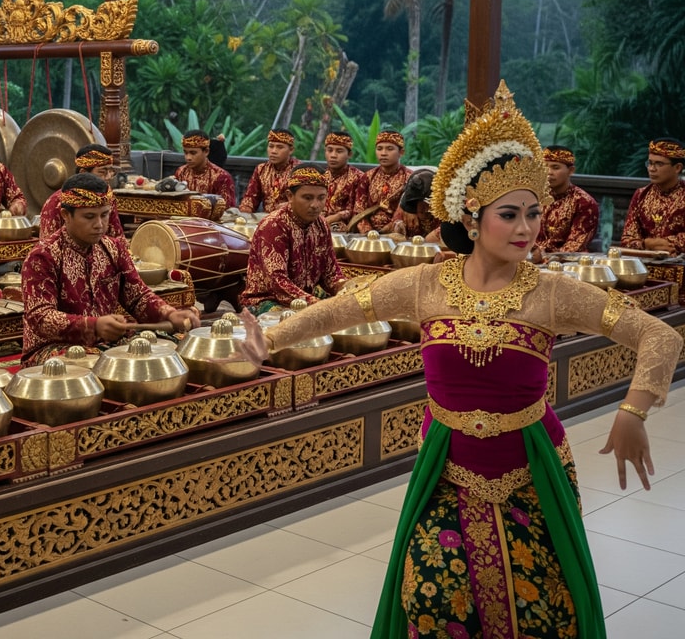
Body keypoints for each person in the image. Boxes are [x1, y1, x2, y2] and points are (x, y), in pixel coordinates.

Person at [250, 83, 680, 639]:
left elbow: (658, 337)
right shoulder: (426, 284)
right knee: (436, 602)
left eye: (533, 214)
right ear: (472, 219)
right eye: (510, 215)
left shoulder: (553, 293)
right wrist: (270, 339)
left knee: (542, 611)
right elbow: (337, 312)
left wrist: (633, 411)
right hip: (446, 466)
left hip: (532, 466)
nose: (526, 229)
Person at [21, 173, 199, 366]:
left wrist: (169, 314)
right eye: (89, 217)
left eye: (104, 215)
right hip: (52, 350)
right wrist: (93, 326)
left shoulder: (114, 249)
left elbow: (138, 296)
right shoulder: (43, 256)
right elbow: (41, 317)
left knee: (174, 347)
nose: (99, 225)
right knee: (108, 364)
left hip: (104, 344)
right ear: (66, 215)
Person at [238, 166, 344, 313]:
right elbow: (277, 281)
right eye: (307, 198)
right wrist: (315, 304)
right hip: (268, 300)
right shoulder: (274, 225)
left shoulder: (321, 225)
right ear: (289, 196)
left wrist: (346, 288)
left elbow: (331, 273)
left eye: (321, 198)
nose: (315, 205)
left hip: (307, 296)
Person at [39, 143, 124, 240]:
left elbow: (118, 238)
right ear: (83, 172)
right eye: (102, 172)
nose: (108, 177)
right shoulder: (55, 203)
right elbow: (47, 243)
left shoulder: (107, 197)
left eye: (111, 171)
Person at [620, 138, 685, 253]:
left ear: (677, 168)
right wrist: (647, 244)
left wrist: (667, 243)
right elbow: (627, 239)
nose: (651, 169)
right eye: (650, 163)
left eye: (659, 164)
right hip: (644, 261)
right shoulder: (641, 195)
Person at [534, 145, 598, 256]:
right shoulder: (533, 197)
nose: (549, 172)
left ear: (571, 171)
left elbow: (575, 245)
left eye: (555, 167)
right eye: (544, 167)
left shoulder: (584, 202)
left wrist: (544, 257)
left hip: (567, 262)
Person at [354, 128, 409, 233]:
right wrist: (368, 233)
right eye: (379, 149)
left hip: (397, 231)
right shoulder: (368, 177)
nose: (383, 153)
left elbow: (408, 212)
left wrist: (386, 232)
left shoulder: (409, 178)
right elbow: (359, 210)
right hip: (368, 233)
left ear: (401, 152)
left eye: (389, 149)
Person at [238, 129, 299, 214]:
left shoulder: (300, 171)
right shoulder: (261, 169)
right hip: (267, 218)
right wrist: (246, 208)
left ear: (291, 150)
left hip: (290, 218)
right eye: (271, 146)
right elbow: (250, 197)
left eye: (280, 147)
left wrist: (290, 205)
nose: (273, 151)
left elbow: (306, 201)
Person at [174, 129, 236, 210]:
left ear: (206, 151)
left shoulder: (221, 177)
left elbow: (228, 212)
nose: (188, 157)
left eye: (193, 153)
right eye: (186, 152)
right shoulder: (181, 172)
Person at [321, 131, 367, 229]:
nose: (333, 155)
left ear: (349, 154)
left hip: (344, 228)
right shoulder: (320, 177)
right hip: (317, 224)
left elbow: (358, 212)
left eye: (339, 151)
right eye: (329, 150)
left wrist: (337, 217)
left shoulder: (359, 178)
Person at [391, 167, 441, 240]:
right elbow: (395, 221)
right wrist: (398, 225)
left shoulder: (444, 211)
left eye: (429, 203)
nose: (426, 209)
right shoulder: (406, 205)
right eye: (422, 203)